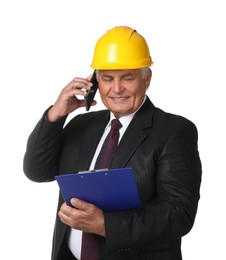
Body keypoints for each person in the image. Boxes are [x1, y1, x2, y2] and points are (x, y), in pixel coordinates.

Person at [23, 26, 202, 260]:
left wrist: (105, 225)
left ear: (146, 78)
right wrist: (56, 115)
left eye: (127, 77)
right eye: (107, 78)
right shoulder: (81, 125)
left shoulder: (173, 131)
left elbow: (179, 215)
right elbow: (37, 171)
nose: (116, 89)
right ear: (95, 82)